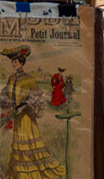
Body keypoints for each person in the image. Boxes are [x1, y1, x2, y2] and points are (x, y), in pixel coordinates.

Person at [1, 45, 67, 178]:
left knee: (29, 143)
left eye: (16, 62)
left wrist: (24, 106)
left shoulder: (29, 79)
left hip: (27, 117)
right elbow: (6, 95)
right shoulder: (12, 78)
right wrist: (8, 108)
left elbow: (36, 98)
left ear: (22, 63)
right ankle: (19, 172)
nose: (14, 64)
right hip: (17, 118)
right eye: (13, 62)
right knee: (18, 144)